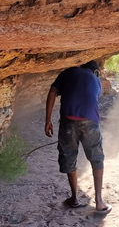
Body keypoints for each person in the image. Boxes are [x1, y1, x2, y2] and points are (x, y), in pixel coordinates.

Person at [45, 60, 112, 215]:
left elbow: (53, 92)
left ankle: (74, 199)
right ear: (95, 71)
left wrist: (48, 120)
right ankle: (100, 202)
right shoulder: (96, 80)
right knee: (97, 159)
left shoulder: (68, 72)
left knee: (69, 157)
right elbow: (91, 99)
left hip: (68, 121)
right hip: (90, 122)